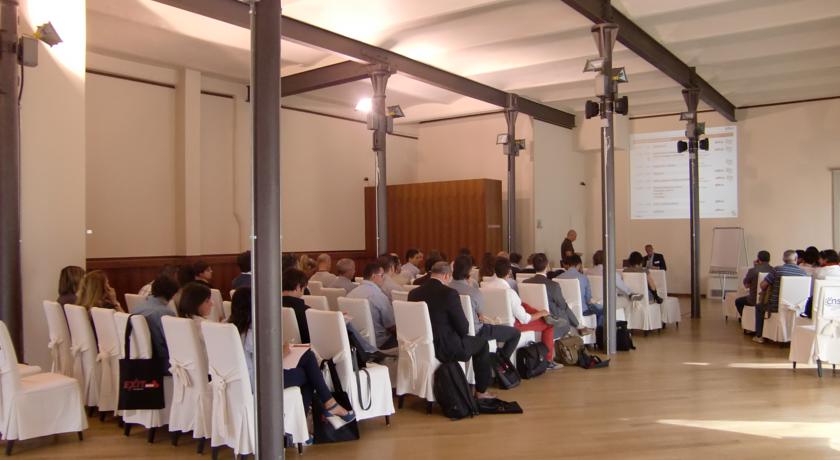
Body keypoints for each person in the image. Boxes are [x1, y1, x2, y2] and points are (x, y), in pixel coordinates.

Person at [230, 287, 355, 428]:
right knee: (308, 372)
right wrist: (283, 350)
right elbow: (269, 361)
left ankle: (318, 413)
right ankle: (312, 416)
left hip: (241, 382)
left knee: (308, 360)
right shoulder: (252, 332)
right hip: (260, 382)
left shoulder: (231, 328)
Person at [407, 261, 497, 400]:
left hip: (419, 345)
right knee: (482, 344)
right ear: (446, 276)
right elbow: (463, 328)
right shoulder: (449, 294)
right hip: (445, 347)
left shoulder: (413, 293)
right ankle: (481, 391)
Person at [482, 257, 557, 365]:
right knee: (549, 325)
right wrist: (541, 313)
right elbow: (525, 319)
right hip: (511, 326)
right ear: (509, 272)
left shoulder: (484, 287)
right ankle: (548, 360)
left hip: (490, 325)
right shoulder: (509, 292)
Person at [449, 255, 521, 363]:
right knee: (515, 333)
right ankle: (499, 363)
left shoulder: (446, 289)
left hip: (454, 331)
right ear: (469, 271)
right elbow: (481, 315)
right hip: (477, 331)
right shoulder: (473, 292)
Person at [522, 253, 594, 338]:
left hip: (532, 320)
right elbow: (563, 306)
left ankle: (578, 327)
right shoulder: (553, 285)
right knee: (563, 308)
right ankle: (579, 327)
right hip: (552, 323)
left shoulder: (524, 283)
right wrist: (577, 324)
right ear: (547, 265)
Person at [753, 250, 807, 343]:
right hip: (797, 308)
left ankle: (759, 336)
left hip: (775, 306)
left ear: (783, 259)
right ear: (796, 259)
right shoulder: (803, 273)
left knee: (759, 307)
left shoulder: (777, 270)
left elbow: (763, 285)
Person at [133, 275, 178, 373]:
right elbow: (173, 342)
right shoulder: (165, 313)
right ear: (173, 294)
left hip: (140, 360)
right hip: (162, 361)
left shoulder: (137, 308)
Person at [347, 263, 397, 350]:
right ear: (374, 276)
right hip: (380, 343)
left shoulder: (349, 295)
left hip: (355, 343)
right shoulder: (378, 295)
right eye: (382, 275)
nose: (383, 279)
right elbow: (390, 325)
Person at [557, 255, 603, 326]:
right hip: (582, 311)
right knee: (603, 311)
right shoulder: (583, 278)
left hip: (564, 312)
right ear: (579, 264)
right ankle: (598, 331)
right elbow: (588, 299)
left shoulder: (558, 278)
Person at [734, 251, 772, 316]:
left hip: (753, 300)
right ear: (769, 259)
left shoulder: (753, 270)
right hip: (768, 299)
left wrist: (755, 267)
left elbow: (746, 286)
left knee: (738, 301)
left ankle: (744, 318)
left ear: (758, 259)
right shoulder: (773, 270)